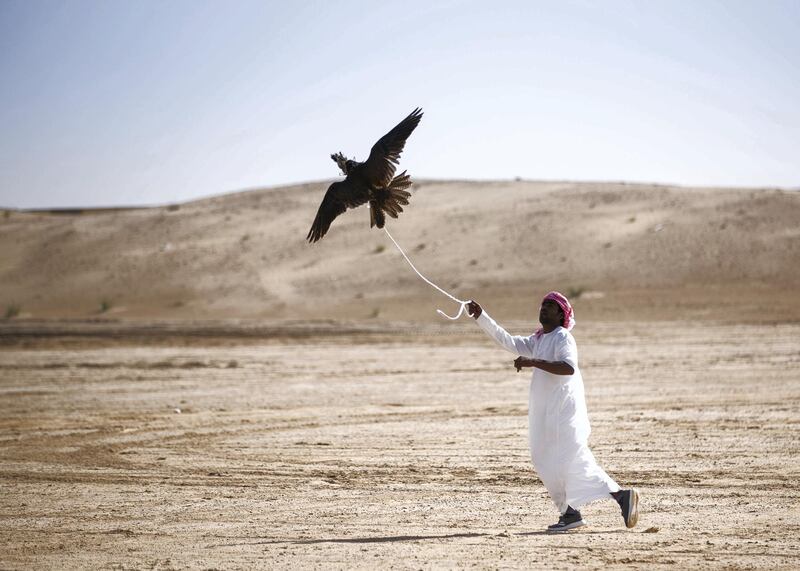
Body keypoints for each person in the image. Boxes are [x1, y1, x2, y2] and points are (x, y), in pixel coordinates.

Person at [466, 292, 639, 532]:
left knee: (567, 461)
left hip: (562, 413)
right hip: (545, 414)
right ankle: (602, 503)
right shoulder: (539, 339)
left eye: (551, 305)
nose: (544, 308)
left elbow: (568, 368)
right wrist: (481, 317)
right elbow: (507, 340)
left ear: (561, 314)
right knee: (548, 459)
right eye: (543, 304)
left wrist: (533, 362)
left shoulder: (562, 337)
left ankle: (579, 510)